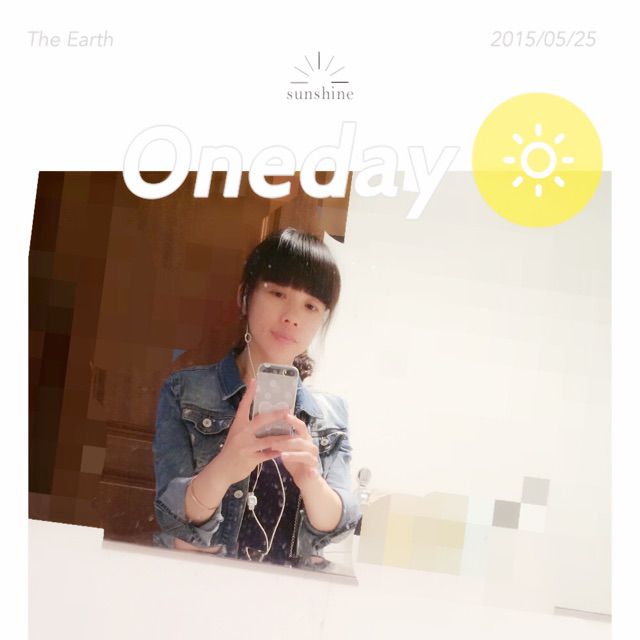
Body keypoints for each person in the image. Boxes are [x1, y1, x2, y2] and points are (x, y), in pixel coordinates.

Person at [152, 227, 361, 567]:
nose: (292, 316)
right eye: (278, 293)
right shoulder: (184, 392)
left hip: (288, 592)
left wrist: (310, 479)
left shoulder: (330, 415)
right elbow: (173, 517)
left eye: (310, 305)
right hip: (201, 586)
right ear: (245, 296)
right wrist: (225, 466)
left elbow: (337, 527)